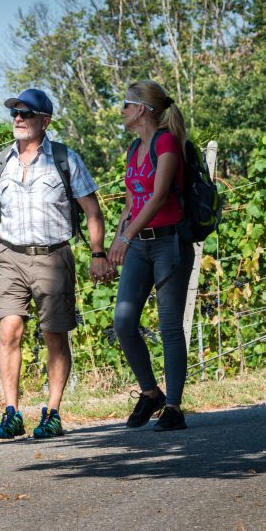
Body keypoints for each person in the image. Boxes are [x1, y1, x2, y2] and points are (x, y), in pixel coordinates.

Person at [0, 88, 113, 440]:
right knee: (8, 331)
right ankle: (11, 412)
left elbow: (92, 210)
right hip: (10, 255)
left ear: (45, 121)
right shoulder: (1, 162)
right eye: (15, 113)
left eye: (26, 113)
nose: (18, 119)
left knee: (54, 335)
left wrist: (98, 253)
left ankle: (52, 412)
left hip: (53, 256)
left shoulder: (64, 159)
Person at [108, 80, 194, 431]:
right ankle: (150, 391)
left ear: (141, 109)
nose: (123, 111)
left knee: (170, 325)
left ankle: (173, 406)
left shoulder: (167, 142)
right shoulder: (133, 149)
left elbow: (158, 197)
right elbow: (132, 201)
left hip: (168, 243)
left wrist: (124, 239)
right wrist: (116, 241)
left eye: (126, 105)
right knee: (124, 322)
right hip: (139, 245)